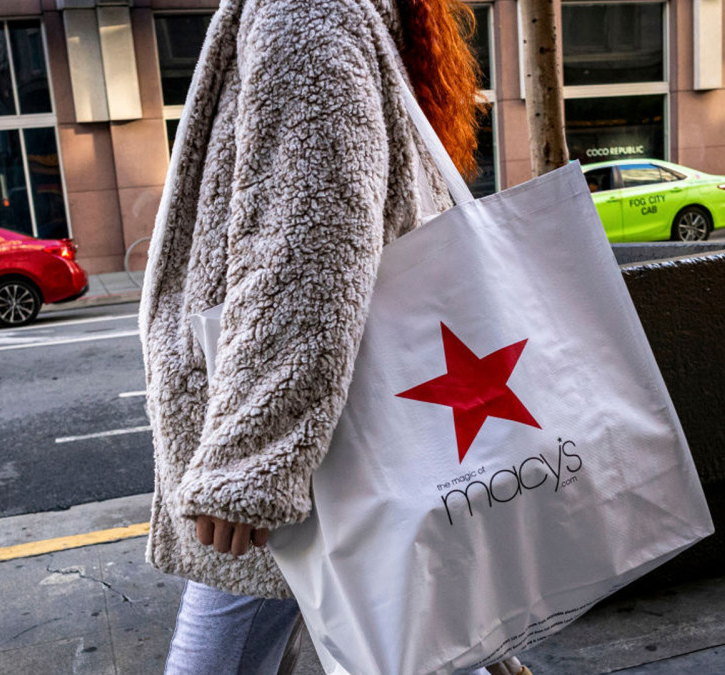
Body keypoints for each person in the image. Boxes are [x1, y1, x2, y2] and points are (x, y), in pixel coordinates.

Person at [139, 0, 530, 672]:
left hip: (307, 443)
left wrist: (250, 460)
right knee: (423, 636)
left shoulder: (301, 12)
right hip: (347, 419)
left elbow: (311, 244)